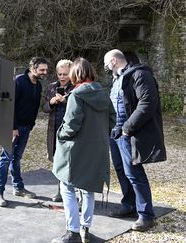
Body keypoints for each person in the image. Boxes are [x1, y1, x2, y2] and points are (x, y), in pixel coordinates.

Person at [51, 58, 116, 243]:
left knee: (67, 186)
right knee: (88, 189)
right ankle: (85, 230)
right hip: (97, 148)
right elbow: (113, 118)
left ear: (75, 74)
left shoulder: (77, 95)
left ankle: (72, 232)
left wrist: (60, 135)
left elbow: (71, 125)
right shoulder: (103, 93)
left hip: (76, 150)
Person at [104, 49, 166, 231]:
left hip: (127, 134)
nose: (106, 68)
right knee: (121, 170)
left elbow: (148, 102)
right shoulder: (117, 78)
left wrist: (127, 128)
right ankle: (129, 205)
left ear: (114, 61)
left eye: (107, 64)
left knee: (134, 174)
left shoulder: (140, 74)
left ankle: (146, 215)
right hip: (115, 133)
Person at [0, 57, 48, 207]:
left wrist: (30, 125)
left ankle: (18, 188)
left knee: (16, 158)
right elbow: (9, 106)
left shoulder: (38, 85)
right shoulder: (18, 81)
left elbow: (34, 106)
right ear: (32, 69)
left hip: (26, 128)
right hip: (12, 128)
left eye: (46, 70)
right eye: (42, 70)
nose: (45, 72)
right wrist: (13, 127)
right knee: (5, 159)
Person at [42, 59, 74, 202]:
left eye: (65, 74)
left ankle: (71, 193)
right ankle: (60, 191)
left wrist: (66, 101)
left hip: (70, 131)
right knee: (57, 161)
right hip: (54, 129)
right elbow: (44, 108)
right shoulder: (51, 87)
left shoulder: (76, 88)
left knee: (71, 162)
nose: (62, 77)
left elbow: (78, 109)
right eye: (60, 74)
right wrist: (51, 102)